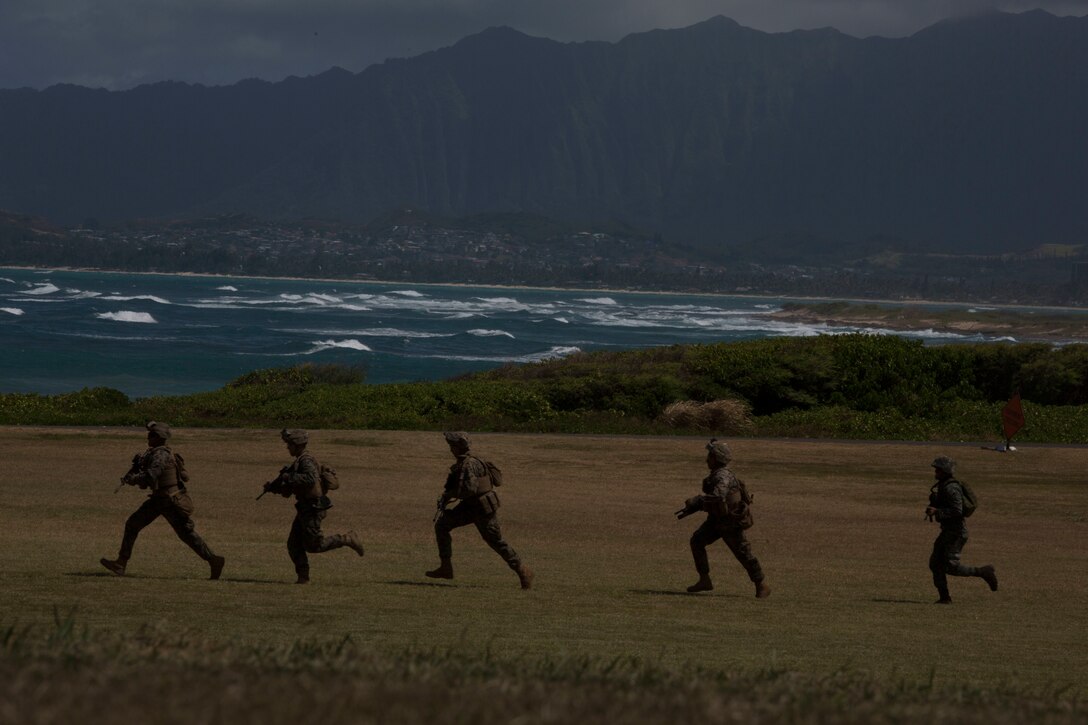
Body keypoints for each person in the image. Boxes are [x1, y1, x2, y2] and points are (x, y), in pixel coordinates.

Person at [100, 421, 225, 579]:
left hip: (168, 501)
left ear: (159, 437)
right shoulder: (156, 452)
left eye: (151, 435)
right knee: (136, 525)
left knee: (185, 534)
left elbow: (152, 475)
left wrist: (133, 479)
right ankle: (121, 563)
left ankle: (214, 560)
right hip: (162, 500)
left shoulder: (161, 454)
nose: (148, 437)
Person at [425, 431, 533, 589]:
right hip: (470, 507)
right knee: (442, 525)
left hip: (480, 509)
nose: (450, 449)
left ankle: (523, 571)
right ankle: (446, 567)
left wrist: (449, 495)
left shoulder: (468, 465)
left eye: (451, 446)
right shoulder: (473, 461)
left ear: (456, 447)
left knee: (496, 541)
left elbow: (469, 489)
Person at [262, 429, 364, 584]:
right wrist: (274, 488)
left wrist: (288, 477)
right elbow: (293, 485)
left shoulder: (306, 461)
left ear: (297, 445)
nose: (287, 447)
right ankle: (303, 578)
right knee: (294, 544)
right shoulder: (300, 460)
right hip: (305, 507)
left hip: (312, 509)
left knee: (315, 545)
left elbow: (310, 478)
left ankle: (347, 539)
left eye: (289, 444)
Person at [683, 439, 770, 598]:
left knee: (743, 553)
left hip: (729, 522)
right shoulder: (717, 474)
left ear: (717, 458)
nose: (707, 459)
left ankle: (761, 584)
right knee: (697, 541)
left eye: (710, 456)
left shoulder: (723, 476)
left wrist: (697, 500)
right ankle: (704, 579)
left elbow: (718, 496)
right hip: (716, 521)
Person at [926, 456, 998, 603]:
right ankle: (944, 598)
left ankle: (983, 572)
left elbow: (957, 511)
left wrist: (937, 512)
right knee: (935, 563)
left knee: (950, 567)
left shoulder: (951, 488)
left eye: (938, 469)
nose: (936, 472)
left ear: (945, 471)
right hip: (948, 531)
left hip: (956, 533)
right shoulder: (943, 485)